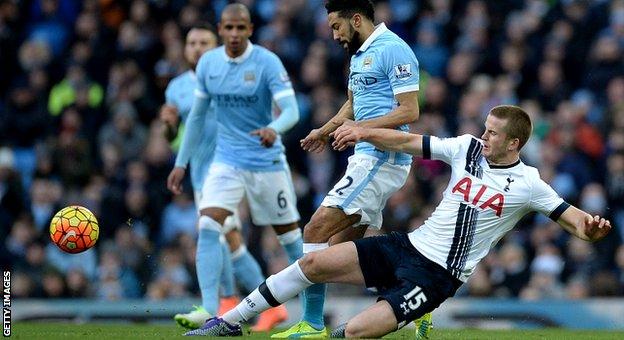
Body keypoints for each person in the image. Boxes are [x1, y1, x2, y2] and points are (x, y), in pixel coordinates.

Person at [184, 105, 612, 338]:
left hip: (437, 277)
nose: (484, 137)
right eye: (485, 129)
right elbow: (409, 140)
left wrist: (589, 229)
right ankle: (229, 323)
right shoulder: (466, 148)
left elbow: (573, 220)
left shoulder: (529, 184)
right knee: (314, 263)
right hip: (407, 246)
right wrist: (363, 131)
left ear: (514, 142)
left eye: (493, 134)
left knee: (353, 333)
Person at [278, 0, 421, 337]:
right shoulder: (360, 54)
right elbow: (354, 104)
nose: (334, 35)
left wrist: (363, 130)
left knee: (315, 232)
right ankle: (417, 292)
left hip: (381, 156)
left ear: (356, 20)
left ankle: (312, 323)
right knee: (344, 254)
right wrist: (323, 131)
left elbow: (409, 111)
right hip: (367, 154)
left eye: (336, 26)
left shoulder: (393, 49)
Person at [167, 3, 303, 332]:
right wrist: (180, 163)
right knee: (210, 227)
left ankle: (308, 317)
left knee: (292, 242)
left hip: (265, 163)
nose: (234, 34)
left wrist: (275, 128)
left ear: (250, 29)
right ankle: (211, 309)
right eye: (228, 28)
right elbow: (196, 118)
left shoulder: (267, 62)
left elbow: (292, 111)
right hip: (224, 163)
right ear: (221, 29)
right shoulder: (207, 68)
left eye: (240, 28)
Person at [160, 22, 249, 329]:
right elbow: (175, 135)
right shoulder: (176, 87)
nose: (196, 48)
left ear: (216, 46)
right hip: (200, 173)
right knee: (225, 240)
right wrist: (169, 125)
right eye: (191, 43)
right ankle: (235, 303)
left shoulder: (233, 77)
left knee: (219, 234)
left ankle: (219, 306)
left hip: (230, 168)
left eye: (203, 42)